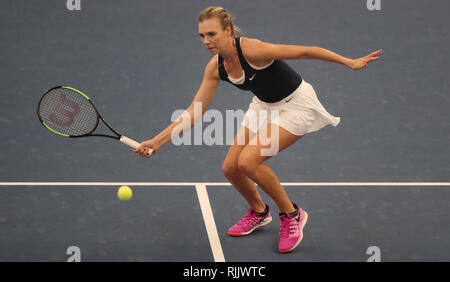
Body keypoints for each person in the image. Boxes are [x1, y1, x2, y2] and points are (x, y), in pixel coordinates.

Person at [134, 6, 382, 253]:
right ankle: (260, 212)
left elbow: (305, 51)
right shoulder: (215, 67)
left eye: (211, 34)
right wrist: (157, 141)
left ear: (228, 31)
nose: (206, 41)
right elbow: (194, 111)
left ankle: (292, 213)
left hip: (297, 106)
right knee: (230, 168)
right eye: (202, 36)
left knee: (249, 161)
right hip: (263, 106)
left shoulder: (253, 49)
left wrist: (348, 61)